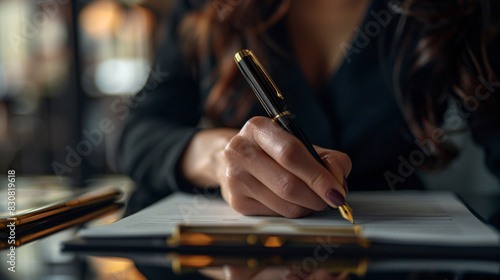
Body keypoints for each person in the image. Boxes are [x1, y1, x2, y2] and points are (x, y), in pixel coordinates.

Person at [118, 0, 500, 218]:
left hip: (392, 250)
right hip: (246, 250)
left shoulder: (456, 9)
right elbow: (136, 134)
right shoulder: (211, 7)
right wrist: (219, 157)